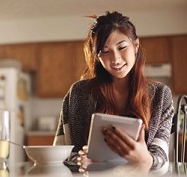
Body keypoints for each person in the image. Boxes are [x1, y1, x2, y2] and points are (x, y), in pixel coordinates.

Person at [53, 11, 174, 172]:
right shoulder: (78, 93)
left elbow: (161, 160)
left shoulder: (160, 94)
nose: (115, 59)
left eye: (122, 47)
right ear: (97, 56)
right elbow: (59, 154)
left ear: (135, 45)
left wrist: (145, 158)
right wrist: (80, 160)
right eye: (105, 51)